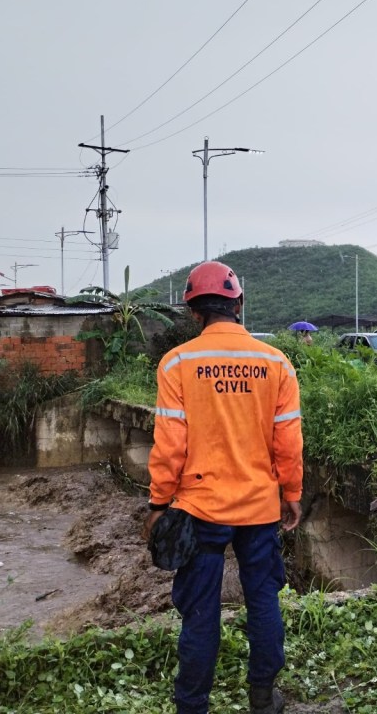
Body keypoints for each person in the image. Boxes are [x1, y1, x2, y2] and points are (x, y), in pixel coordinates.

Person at [142, 261, 303, 714]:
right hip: (259, 507)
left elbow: (169, 444)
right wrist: (291, 493)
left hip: (200, 510)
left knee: (200, 612)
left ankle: (192, 705)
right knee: (263, 599)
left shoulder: (178, 363)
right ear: (240, 304)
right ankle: (263, 697)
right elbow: (288, 440)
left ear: (194, 312)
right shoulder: (276, 362)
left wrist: (158, 504)